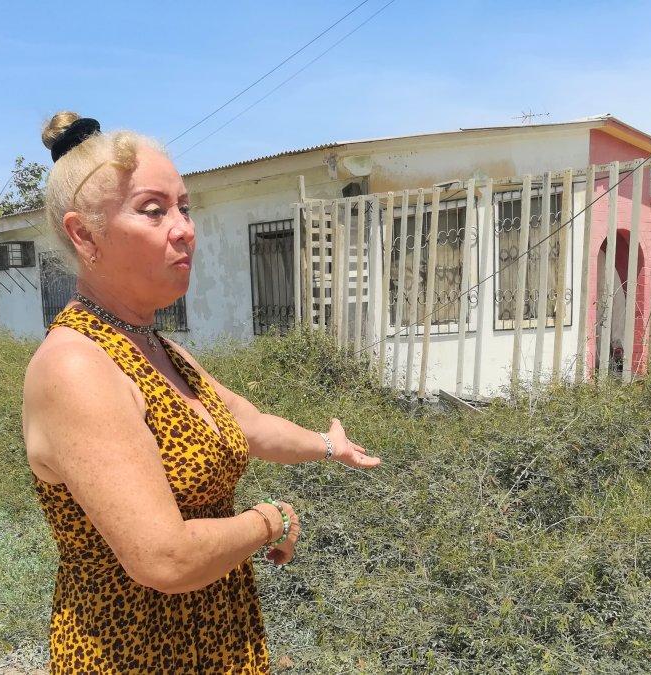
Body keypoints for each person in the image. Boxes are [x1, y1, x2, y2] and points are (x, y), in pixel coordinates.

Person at [21, 111, 382, 673]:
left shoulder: (158, 349)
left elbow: (249, 423)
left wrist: (329, 445)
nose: (184, 227)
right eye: (153, 210)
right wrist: (272, 521)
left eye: (184, 207)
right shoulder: (77, 367)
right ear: (84, 234)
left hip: (215, 639)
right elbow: (165, 557)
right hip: (135, 654)